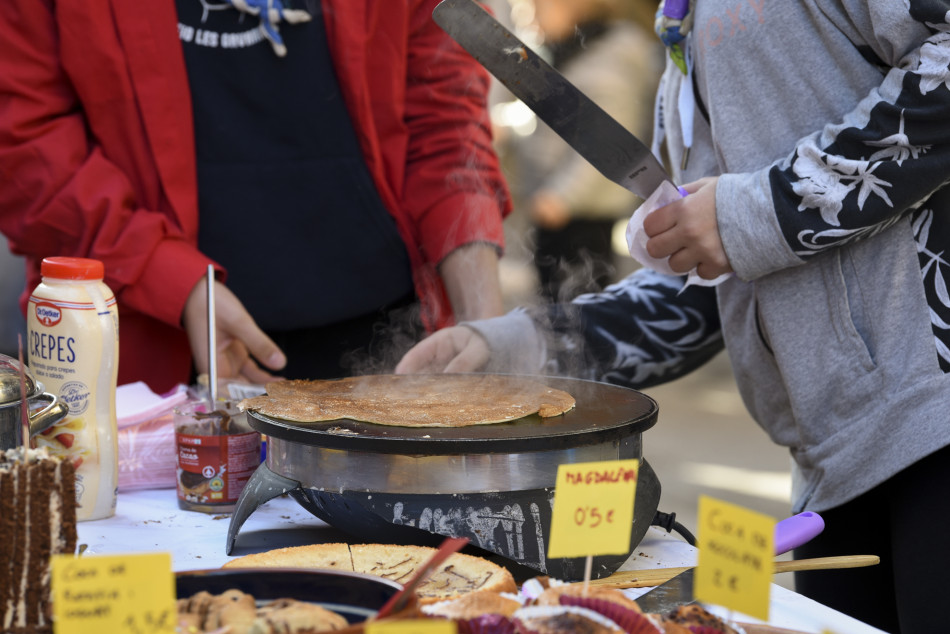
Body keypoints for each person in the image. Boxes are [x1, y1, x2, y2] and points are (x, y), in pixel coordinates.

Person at [397, 1, 950, 631]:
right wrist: (521, 347)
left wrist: (757, 211)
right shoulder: (681, 26)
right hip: (832, 467)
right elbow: (714, 283)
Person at [0, 0, 511, 395]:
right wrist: (173, 280)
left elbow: (446, 118)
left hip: (391, 342)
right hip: (149, 351)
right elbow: (26, 146)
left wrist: (487, 325)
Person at [500, 0, 661, 301]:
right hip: (551, 203)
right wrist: (506, 126)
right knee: (552, 294)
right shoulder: (568, 52)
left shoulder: (609, 60)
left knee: (580, 296)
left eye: (535, 6)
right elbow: (548, 118)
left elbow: (605, 141)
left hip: (581, 211)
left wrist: (564, 196)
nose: (524, 17)